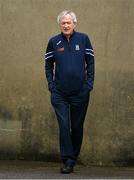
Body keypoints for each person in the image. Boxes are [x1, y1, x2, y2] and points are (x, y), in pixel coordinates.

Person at [44, 10, 95, 174]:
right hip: (60, 94)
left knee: (77, 127)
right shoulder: (54, 42)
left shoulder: (84, 39)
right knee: (64, 126)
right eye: (63, 23)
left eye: (69, 22)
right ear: (60, 25)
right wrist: (52, 86)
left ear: (74, 24)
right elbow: (48, 65)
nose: (66, 25)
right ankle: (68, 160)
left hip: (80, 92)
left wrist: (88, 85)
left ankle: (73, 157)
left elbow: (91, 63)